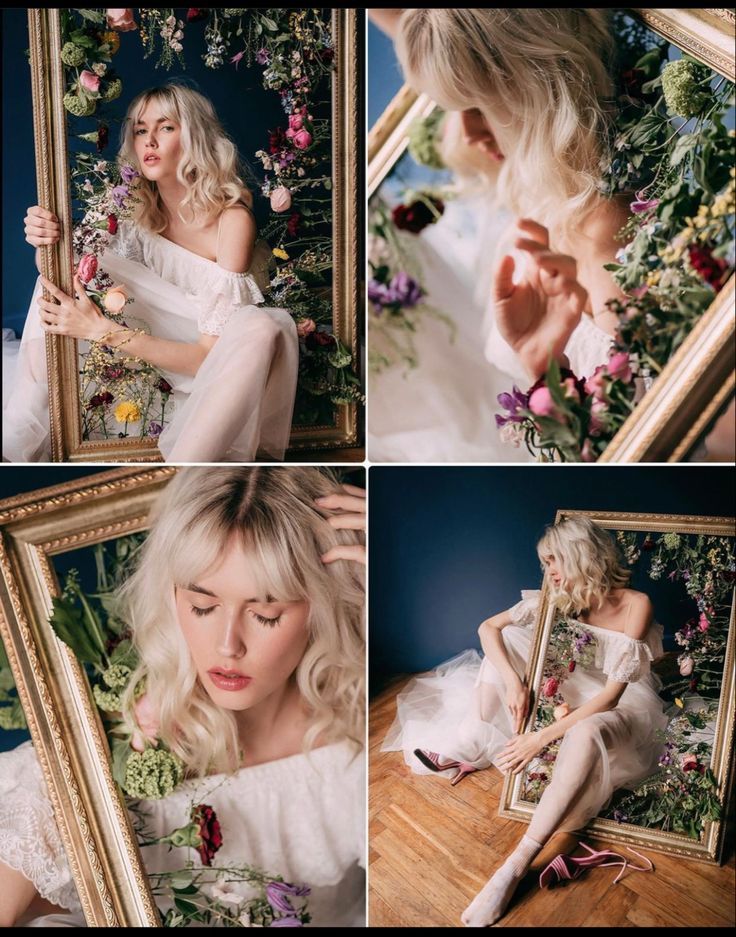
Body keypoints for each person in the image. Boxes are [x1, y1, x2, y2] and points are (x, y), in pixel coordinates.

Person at [0, 467, 366, 927]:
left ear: (325, 604)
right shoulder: (87, 760)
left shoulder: (356, 737)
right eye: (202, 606)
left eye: (266, 613)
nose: (227, 645)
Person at [368, 10, 632, 461]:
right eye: (454, 109)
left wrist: (544, 368)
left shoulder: (608, 246)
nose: (468, 133)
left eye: (478, 106)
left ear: (534, 86)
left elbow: (623, 453)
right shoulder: (542, 177)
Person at [382, 515, 667, 926]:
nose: (548, 571)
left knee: (585, 730)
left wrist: (542, 738)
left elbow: (610, 696)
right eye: (545, 562)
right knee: (508, 648)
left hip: (616, 703)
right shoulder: (556, 597)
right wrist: (516, 683)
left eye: (554, 561)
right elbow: (487, 628)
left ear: (581, 557)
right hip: (571, 688)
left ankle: (514, 866)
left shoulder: (636, 604)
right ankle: (469, 747)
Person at [3, 83, 298, 462]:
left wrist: (103, 331)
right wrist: (44, 243)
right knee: (68, 270)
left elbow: (207, 359)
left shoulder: (231, 221)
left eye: (166, 128)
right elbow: (66, 279)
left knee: (265, 325)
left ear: (193, 136)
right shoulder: (129, 204)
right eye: (141, 130)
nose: (150, 142)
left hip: (197, 371)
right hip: (133, 356)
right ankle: (16, 443)